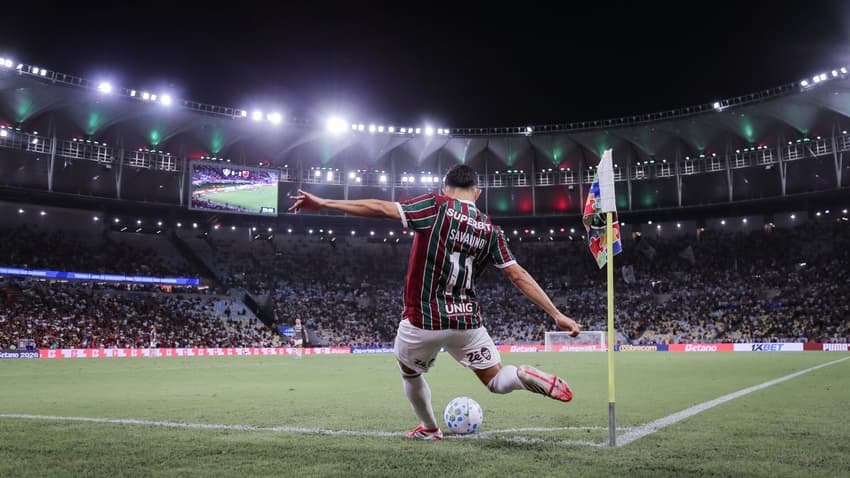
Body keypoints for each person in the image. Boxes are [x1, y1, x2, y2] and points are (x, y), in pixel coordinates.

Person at [289, 164, 581, 441]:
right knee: (496, 379)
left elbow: (381, 208)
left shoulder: (437, 206)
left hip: (424, 320)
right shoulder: (490, 229)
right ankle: (520, 375)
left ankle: (429, 428)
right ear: (477, 193)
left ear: (446, 187)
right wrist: (556, 314)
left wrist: (325, 203)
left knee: (409, 371)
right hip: (467, 322)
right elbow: (518, 275)